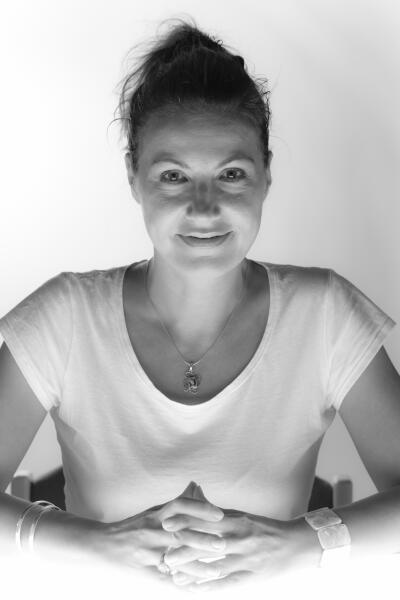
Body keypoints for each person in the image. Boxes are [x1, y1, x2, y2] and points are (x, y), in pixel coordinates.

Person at [0, 16, 399, 595]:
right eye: (174, 176)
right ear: (134, 177)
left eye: (231, 174)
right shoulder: (64, 316)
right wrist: (92, 545)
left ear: (266, 176)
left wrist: (304, 544)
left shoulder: (326, 313)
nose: (205, 207)